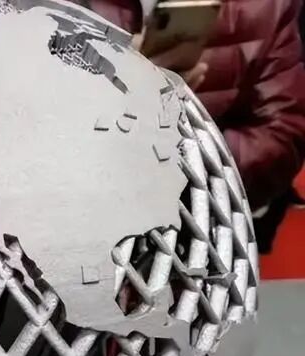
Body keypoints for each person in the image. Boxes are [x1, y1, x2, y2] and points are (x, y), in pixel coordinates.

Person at [76, 0, 305, 247]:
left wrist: (185, 152)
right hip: (72, 227)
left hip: (190, 244)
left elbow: (281, 134)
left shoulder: (264, 7)